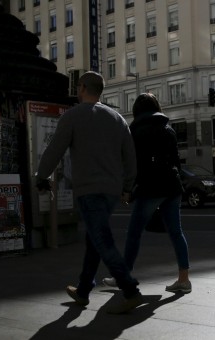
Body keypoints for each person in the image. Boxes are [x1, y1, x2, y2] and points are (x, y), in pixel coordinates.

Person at [35, 71, 143, 314]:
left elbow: (55, 149)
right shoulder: (117, 118)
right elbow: (130, 157)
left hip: (89, 189)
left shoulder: (73, 116)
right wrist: (127, 186)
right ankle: (83, 290)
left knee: (102, 240)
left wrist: (41, 176)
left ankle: (130, 289)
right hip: (112, 190)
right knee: (95, 238)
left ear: (82, 88)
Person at [102, 93, 191, 294]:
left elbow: (134, 166)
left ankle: (123, 277)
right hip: (172, 186)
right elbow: (177, 161)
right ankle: (184, 279)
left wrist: (127, 190)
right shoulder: (168, 129)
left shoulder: (135, 131)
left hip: (151, 188)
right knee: (176, 232)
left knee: (134, 233)